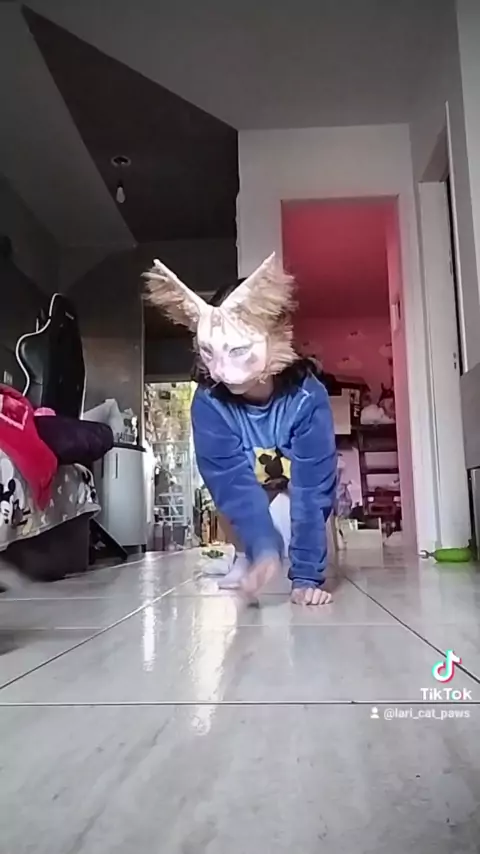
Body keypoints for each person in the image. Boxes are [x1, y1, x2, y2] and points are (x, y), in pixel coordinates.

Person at [144, 253, 337, 605]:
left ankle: (295, 560)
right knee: (236, 501)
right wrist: (263, 548)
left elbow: (313, 489)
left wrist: (307, 578)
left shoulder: (308, 398)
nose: (221, 370)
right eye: (210, 352)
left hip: (294, 484)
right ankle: (248, 554)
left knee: (300, 512)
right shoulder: (210, 403)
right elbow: (230, 483)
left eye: (237, 350)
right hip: (251, 483)